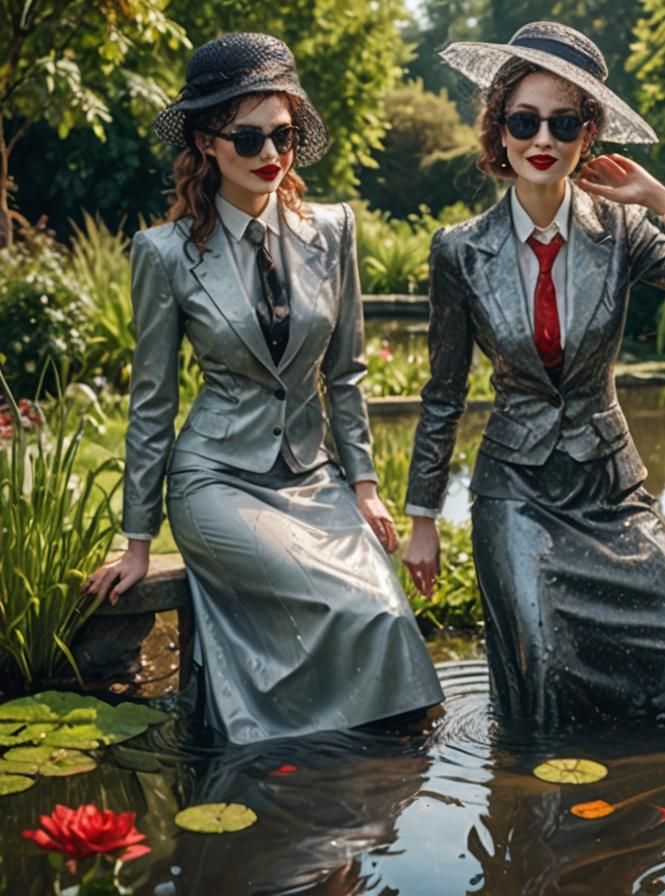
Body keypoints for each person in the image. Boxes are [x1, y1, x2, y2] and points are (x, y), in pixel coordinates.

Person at [84, 32, 443, 744]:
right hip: (215, 481)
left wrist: (365, 484)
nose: (270, 154)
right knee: (336, 603)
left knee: (383, 609)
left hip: (313, 480)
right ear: (206, 142)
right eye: (248, 138)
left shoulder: (333, 232)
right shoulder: (165, 254)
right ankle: (286, 755)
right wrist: (136, 540)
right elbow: (152, 403)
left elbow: (344, 373)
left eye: (282, 134)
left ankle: (363, 776)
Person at [403, 22, 665, 731]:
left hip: (610, 493)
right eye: (524, 120)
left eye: (563, 123)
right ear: (498, 130)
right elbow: (444, 395)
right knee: (543, 689)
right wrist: (423, 521)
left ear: (587, 136)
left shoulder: (623, 233)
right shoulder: (461, 252)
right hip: (515, 495)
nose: (542, 139)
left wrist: (664, 203)